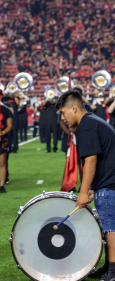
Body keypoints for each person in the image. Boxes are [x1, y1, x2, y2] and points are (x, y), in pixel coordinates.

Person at [57, 88, 115, 281]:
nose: (63, 118)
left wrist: (83, 192)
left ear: (73, 108)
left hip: (110, 185)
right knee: (108, 227)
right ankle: (108, 267)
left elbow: (90, 161)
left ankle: (113, 272)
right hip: (107, 182)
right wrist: (91, 188)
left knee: (110, 228)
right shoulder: (91, 121)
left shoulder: (86, 125)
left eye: (63, 113)